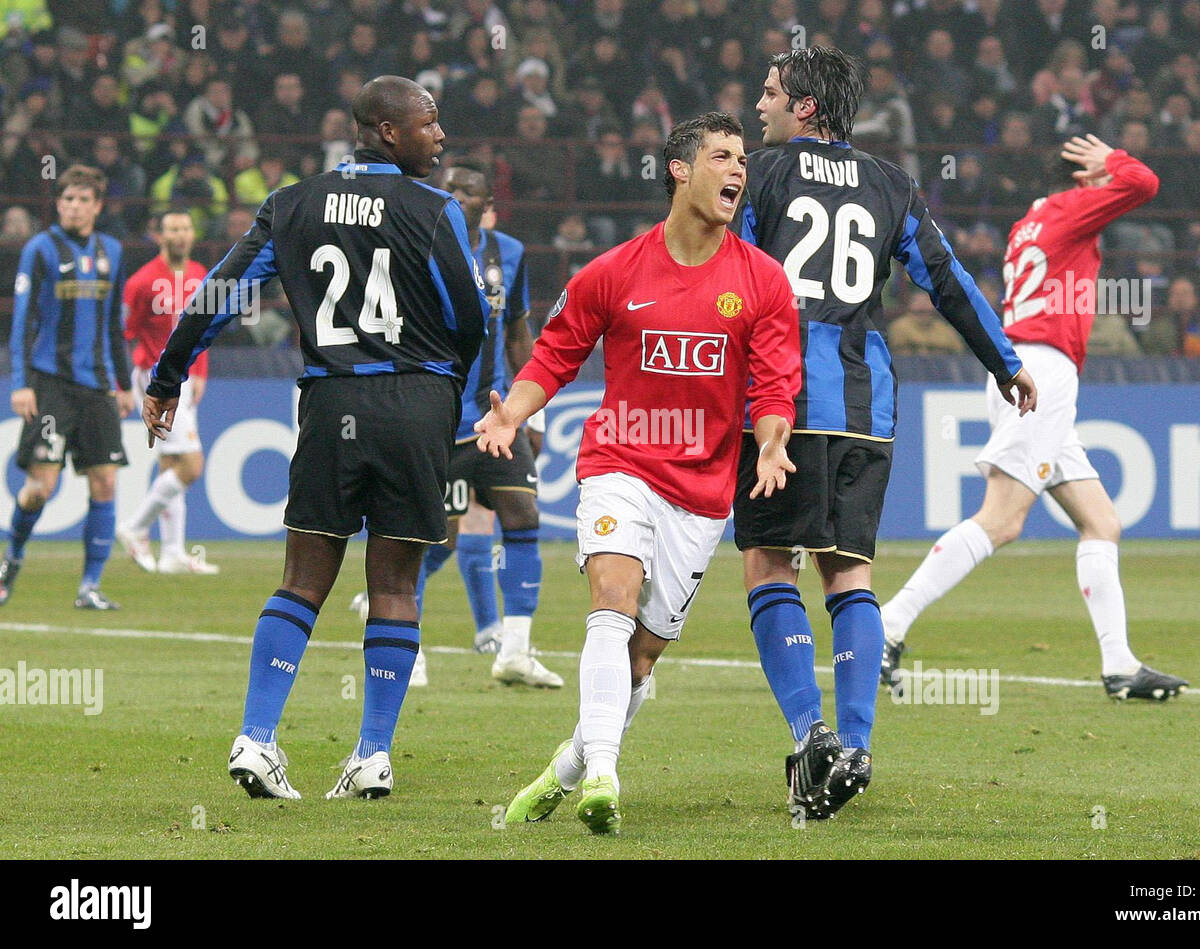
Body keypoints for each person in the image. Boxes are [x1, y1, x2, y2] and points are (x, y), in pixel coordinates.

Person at [142, 76, 489, 801]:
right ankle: (372, 753)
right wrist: (443, 385)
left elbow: (222, 292)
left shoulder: (292, 201)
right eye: (429, 123)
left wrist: (169, 373)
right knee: (395, 583)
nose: (441, 135)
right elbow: (470, 315)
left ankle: (256, 737)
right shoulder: (435, 207)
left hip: (331, 401)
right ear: (388, 131)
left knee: (303, 576)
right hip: (416, 399)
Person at [737, 46, 1036, 820]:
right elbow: (947, 282)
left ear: (806, 107)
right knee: (850, 575)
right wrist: (1003, 361)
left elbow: (717, 272)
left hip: (784, 399)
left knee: (771, 565)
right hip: (868, 409)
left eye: (769, 94)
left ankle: (812, 734)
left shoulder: (761, 176)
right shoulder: (893, 183)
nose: (758, 106)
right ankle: (859, 742)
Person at [487, 112, 801, 835]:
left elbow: (774, 386)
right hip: (620, 460)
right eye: (722, 156)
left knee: (643, 653)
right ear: (680, 170)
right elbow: (554, 355)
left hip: (702, 491)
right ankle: (604, 772)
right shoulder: (615, 271)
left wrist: (775, 440)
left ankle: (571, 762)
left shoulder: (763, 282)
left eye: (744, 159)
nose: (738, 170)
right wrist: (513, 413)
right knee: (613, 594)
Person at [880, 134, 1188, 703]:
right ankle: (888, 624)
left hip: (1022, 366)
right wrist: (1112, 162)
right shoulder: (1074, 207)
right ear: (1081, 177)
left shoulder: (1029, 221)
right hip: (1042, 374)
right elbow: (1144, 182)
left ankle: (1120, 665)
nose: (1106, 188)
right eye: (1096, 176)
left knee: (1101, 522)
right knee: (1001, 520)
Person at [351, 159, 560, 689]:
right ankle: (407, 651)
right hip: (432, 419)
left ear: (487, 204)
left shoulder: (507, 254)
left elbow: (518, 333)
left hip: (495, 418)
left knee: (522, 512)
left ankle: (513, 648)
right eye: (448, 189)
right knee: (426, 537)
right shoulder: (406, 247)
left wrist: (530, 407)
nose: (457, 196)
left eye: (469, 191)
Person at [2, 165, 134, 611]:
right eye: (66, 199)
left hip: (97, 386)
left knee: (104, 483)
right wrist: (20, 384)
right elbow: (22, 323)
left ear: (97, 205)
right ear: (58, 203)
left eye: (82, 199)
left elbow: (115, 328)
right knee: (41, 486)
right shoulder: (39, 249)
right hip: (52, 384)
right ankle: (11, 559)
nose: (73, 206)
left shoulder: (112, 251)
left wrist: (124, 384)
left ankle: (89, 588)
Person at [117, 209, 220, 576]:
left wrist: (201, 373)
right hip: (155, 379)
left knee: (170, 465)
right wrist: (122, 384)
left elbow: (203, 330)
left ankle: (172, 552)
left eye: (185, 228)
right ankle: (134, 526)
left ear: (192, 234)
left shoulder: (199, 275)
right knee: (191, 465)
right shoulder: (141, 282)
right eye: (172, 229)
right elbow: (123, 333)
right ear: (159, 235)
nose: (179, 235)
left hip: (186, 378)